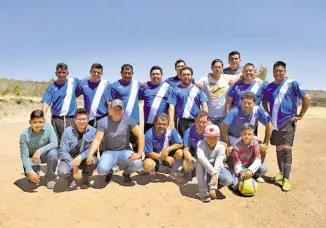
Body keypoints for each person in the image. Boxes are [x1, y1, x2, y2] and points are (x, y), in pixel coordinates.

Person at [262, 61, 311, 191]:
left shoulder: (292, 83)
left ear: (285, 71)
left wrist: (300, 115)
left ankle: (286, 179)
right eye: (276, 71)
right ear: (273, 72)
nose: (278, 73)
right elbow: (264, 101)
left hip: (288, 121)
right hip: (275, 124)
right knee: (278, 150)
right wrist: (268, 115)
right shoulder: (269, 87)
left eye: (281, 71)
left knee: (287, 150)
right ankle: (281, 173)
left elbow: (306, 98)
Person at [86, 99, 144, 184]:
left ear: (123, 110)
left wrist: (139, 153)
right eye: (114, 109)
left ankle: (126, 173)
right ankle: (109, 172)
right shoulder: (103, 121)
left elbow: (140, 134)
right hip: (109, 152)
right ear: (110, 110)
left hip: (124, 151)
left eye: (119, 109)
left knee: (138, 163)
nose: (117, 112)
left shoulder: (128, 119)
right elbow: (97, 139)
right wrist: (90, 154)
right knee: (101, 170)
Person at [221, 92, 272, 182]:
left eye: (249, 103)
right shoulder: (234, 111)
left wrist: (265, 143)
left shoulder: (258, 110)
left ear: (254, 103)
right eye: (244, 103)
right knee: (229, 151)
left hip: (248, 136)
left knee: (262, 148)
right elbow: (223, 128)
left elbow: (269, 125)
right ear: (241, 102)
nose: (246, 105)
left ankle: (254, 173)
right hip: (234, 137)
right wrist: (228, 144)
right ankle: (234, 170)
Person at [57, 108, 98, 189]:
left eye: (84, 119)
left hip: (84, 159)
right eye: (79, 119)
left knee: (94, 160)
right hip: (69, 158)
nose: (82, 121)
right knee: (62, 172)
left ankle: (85, 178)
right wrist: (73, 164)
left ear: (88, 119)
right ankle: (70, 178)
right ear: (74, 120)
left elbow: (93, 148)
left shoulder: (93, 131)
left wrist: (81, 157)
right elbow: (63, 150)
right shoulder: (67, 131)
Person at [19, 110, 58, 189]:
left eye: (40, 122)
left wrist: (39, 150)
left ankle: (50, 177)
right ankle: (34, 175)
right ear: (30, 122)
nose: (38, 124)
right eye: (35, 122)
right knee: (32, 183)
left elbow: (54, 143)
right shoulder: (24, 135)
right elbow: (24, 156)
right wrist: (29, 171)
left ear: (44, 121)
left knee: (53, 153)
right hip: (32, 158)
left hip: (45, 155)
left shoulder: (49, 127)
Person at [41, 63, 80, 141]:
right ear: (56, 73)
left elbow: (87, 85)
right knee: (57, 141)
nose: (61, 74)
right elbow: (46, 102)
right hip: (56, 119)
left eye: (64, 73)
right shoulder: (51, 87)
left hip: (71, 118)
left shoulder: (73, 82)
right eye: (59, 73)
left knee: (71, 141)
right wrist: (43, 115)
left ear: (67, 73)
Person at [196, 124, 233, 202]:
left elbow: (218, 165)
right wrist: (213, 173)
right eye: (209, 137)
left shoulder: (221, 147)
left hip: (216, 169)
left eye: (214, 137)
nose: (212, 139)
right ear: (205, 137)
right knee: (199, 162)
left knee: (228, 180)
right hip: (204, 168)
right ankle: (203, 192)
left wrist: (213, 186)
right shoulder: (200, 143)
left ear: (218, 137)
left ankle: (210, 187)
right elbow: (201, 157)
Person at [198, 59, 240, 128]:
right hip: (209, 117)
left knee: (222, 137)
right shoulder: (205, 79)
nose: (217, 69)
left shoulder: (226, 77)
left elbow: (240, 76)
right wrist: (197, 83)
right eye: (215, 67)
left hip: (223, 117)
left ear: (222, 68)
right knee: (210, 137)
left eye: (219, 67)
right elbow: (196, 84)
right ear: (211, 68)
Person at [168, 66, 208, 137]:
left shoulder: (198, 89)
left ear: (191, 76)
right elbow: (171, 106)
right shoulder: (175, 90)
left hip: (196, 121)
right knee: (182, 143)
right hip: (181, 122)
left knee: (196, 143)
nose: (186, 76)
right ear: (180, 76)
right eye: (184, 75)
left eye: (188, 75)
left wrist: (205, 119)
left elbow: (204, 105)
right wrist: (171, 120)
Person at [143, 113, 184, 183]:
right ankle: (152, 172)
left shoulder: (171, 130)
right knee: (147, 164)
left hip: (168, 155)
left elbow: (180, 143)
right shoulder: (149, 134)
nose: (161, 126)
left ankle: (172, 173)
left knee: (180, 152)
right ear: (155, 123)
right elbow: (148, 153)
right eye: (159, 123)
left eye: (164, 124)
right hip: (155, 157)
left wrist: (167, 149)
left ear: (168, 124)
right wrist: (164, 157)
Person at [110, 64, 142, 151]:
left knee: (135, 143)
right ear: (121, 73)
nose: (127, 75)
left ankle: (135, 162)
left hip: (134, 120)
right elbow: (111, 103)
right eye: (125, 73)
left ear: (132, 73)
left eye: (129, 73)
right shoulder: (114, 86)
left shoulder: (137, 84)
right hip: (119, 120)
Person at [230, 123, 268, 191]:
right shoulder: (236, 147)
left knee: (263, 169)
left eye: (249, 134)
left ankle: (253, 177)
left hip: (250, 167)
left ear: (253, 135)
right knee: (235, 187)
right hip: (241, 168)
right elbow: (237, 164)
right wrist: (240, 172)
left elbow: (257, 159)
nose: (246, 136)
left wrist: (250, 170)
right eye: (244, 134)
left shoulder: (255, 142)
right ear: (241, 134)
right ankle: (239, 177)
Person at [139, 66, 174, 132]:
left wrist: (171, 120)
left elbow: (171, 106)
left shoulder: (168, 87)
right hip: (147, 123)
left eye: (157, 74)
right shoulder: (144, 87)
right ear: (150, 76)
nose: (155, 76)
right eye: (153, 74)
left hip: (162, 123)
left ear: (161, 75)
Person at [77, 63, 111, 128]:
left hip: (103, 118)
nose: (96, 74)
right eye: (94, 72)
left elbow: (110, 102)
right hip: (88, 119)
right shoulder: (82, 84)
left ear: (102, 73)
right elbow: (73, 97)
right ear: (90, 72)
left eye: (98, 72)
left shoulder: (106, 84)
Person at [182, 111, 209, 175]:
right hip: (194, 153)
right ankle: (192, 170)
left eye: (204, 122)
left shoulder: (211, 131)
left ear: (208, 122)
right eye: (199, 121)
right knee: (186, 164)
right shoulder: (188, 131)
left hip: (206, 154)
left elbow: (218, 144)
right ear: (195, 120)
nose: (201, 124)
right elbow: (186, 149)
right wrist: (190, 160)